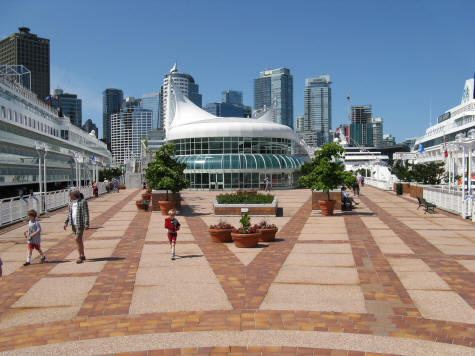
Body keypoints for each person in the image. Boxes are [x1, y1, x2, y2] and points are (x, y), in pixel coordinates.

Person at [64, 189, 89, 263]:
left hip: (80, 224)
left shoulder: (82, 202)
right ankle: (83, 255)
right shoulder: (71, 203)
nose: (69, 196)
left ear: (74, 195)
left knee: (77, 239)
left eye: (70, 194)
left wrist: (86, 224)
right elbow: (69, 214)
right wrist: (66, 223)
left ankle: (79, 257)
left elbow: (86, 213)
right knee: (79, 240)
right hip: (73, 224)